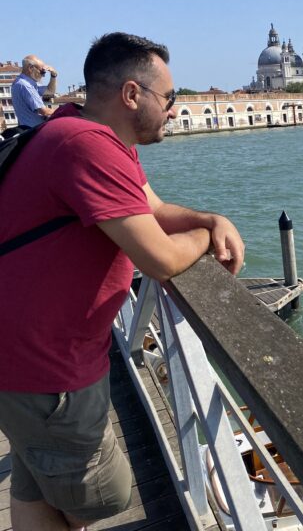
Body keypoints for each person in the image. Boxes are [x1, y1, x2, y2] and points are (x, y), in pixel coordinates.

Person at [0, 32, 245, 531]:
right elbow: (160, 259)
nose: (174, 108)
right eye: (169, 97)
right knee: (102, 495)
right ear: (132, 95)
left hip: (24, 360)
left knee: (37, 482)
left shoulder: (86, 130)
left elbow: (152, 209)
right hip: (48, 371)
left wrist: (211, 217)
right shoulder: (86, 146)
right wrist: (204, 237)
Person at [10, 54, 59, 128]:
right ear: (30, 68)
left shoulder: (27, 83)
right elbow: (44, 112)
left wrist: (53, 75)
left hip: (31, 129)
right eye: (42, 72)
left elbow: (50, 91)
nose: (43, 76)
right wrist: (64, 110)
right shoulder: (25, 85)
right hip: (34, 131)